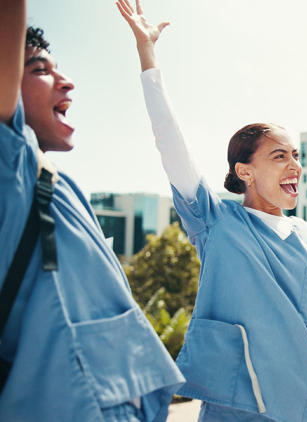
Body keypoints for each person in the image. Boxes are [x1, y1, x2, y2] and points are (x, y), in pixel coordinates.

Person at [115, 1, 307, 421]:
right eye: (279, 156)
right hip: (235, 410)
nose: (294, 166)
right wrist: (148, 56)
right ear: (244, 170)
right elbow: (169, 142)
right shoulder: (217, 222)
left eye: (296, 156)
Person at [0, 1, 184, 421]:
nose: (67, 82)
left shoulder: (57, 185)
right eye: (40, 69)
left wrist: (147, 53)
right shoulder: (10, 167)